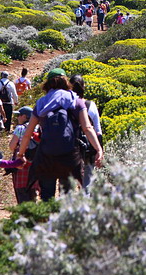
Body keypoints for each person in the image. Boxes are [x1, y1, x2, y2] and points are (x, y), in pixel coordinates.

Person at [16, 68, 103, 201]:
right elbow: (87, 128)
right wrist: (98, 149)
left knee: (47, 196)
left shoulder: (41, 102)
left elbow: (27, 134)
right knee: (67, 194)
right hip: (69, 155)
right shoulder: (76, 101)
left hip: (47, 155)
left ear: (48, 84)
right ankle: (63, 220)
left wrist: (21, 154)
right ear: (66, 82)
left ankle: (48, 219)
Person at [69, 75, 103, 189]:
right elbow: (97, 130)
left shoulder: (65, 105)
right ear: (84, 87)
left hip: (68, 150)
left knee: (67, 186)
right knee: (87, 184)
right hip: (88, 150)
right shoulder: (90, 105)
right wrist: (99, 150)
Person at [8, 107, 39, 204]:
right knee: (32, 189)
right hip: (35, 162)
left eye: (19, 115)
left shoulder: (20, 128)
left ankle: (23, 214)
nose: (17, 117)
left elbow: (12, 146)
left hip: (21, 162)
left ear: (25, 116)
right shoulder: (38, 128)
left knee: (21, 190)